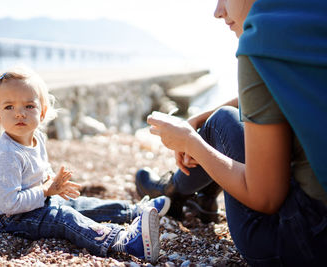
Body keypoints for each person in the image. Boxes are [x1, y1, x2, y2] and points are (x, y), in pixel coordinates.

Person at [137, 0, 327, 265]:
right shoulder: (311, 13)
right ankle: (197, 194)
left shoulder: (261, 36)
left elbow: (266, 198)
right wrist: (203, 115)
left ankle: (174, 191)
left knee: (221, 122)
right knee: (221, 118)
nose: (218, 11)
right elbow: (280, 83)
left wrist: (191, 143)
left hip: (304, 241)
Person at [0, 66, 171, 264]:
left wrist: (52, 181)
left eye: (29, 106)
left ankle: (132, 210)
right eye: (9, 107)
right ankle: (123, 241)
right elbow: (9, 204)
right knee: (63, 216)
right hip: (11, 219)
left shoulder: (36, 137)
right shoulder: (6, 154)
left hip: (36, 202)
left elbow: (41, 168)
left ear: (42, 111)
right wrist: (45, 191)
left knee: (79, 203)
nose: (19, 114)